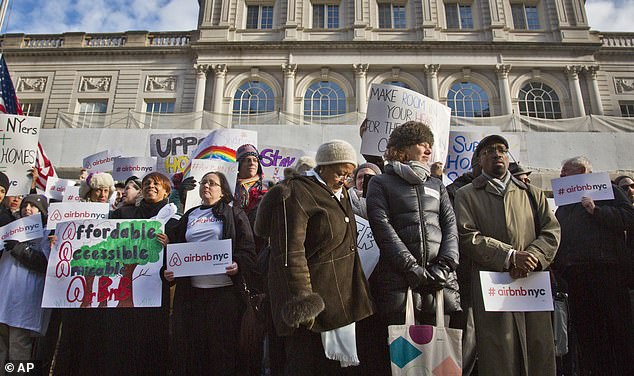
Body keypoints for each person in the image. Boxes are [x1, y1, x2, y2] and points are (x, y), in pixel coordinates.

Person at [255, 139, 374, 375]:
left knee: (334, 366)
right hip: (313, 301)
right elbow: (291, 251)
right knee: (306, 363)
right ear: (324, 167)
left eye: (349, 174)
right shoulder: (297, 192)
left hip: (340, 298)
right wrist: (303, 300)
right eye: (341, 173)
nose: (345, 179)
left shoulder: (340, 194)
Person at [454, 134, 561, 376]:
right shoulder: (466, 194)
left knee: (539, 346)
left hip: (531, 281)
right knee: (499, 350)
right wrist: (510, 257)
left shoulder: (531, 193)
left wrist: (532, 256)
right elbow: (467, 235)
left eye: (502, 149)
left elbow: (551, 230)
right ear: (480, 159)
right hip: (493, 284)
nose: (497, 154)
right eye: (489, 150)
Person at [54, 172, 176, 376]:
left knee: (150, 345)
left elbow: (180, 259)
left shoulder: (173, 222)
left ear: (167, 191)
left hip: (153, 295)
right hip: (122, 296)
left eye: (156, 184)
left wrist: (170, 247)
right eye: (146, 183)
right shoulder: (123, 214)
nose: (150, 186)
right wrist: (59, 241)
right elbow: (97, 240)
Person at [366, 121, 460, 374]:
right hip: (400, 284)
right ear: (402, 149)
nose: (429, 149)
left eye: (430, 145)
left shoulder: (437, 185)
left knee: (437, 362)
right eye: (422, 144)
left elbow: (451, 226)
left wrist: (445, 266)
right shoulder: (381, 183)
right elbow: (382, 226)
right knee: (404, 364)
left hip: (439, 283)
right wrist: (410, 267)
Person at [165, 171, 256, 376]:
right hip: (193, 296)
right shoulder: (191, 215)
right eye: (204, 182)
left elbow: (248, 250)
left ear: (223, 192)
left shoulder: (235, 214)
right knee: (197, 350)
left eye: (212, 183)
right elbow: (177, 246)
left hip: (224, 295)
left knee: (223, 351)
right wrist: (170, 270)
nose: (206, 185)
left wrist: (237, 264)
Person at [553, 157, 634, 376]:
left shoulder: (610, 192)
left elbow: (629, 218)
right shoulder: (563, 207)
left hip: (608, 273)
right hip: (577, 278)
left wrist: (597, 211)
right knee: (589, 336)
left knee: (619, 332)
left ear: (581, 171)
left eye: (565, 173)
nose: (561, 177)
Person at [0, 195, 51, 368]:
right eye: (25, 205)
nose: (27, 208)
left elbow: (44, 263)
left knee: (18, 347)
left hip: (23, 300)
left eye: (33, 206)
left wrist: (19, 248)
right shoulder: (9, 229)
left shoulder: (45, 234)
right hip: (4, 297)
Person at [235, 144, 268, 228]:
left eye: (255, 160)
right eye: (248, 160)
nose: (252, 163)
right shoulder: (229, 186)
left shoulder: (268, 186)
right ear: (239, 164)